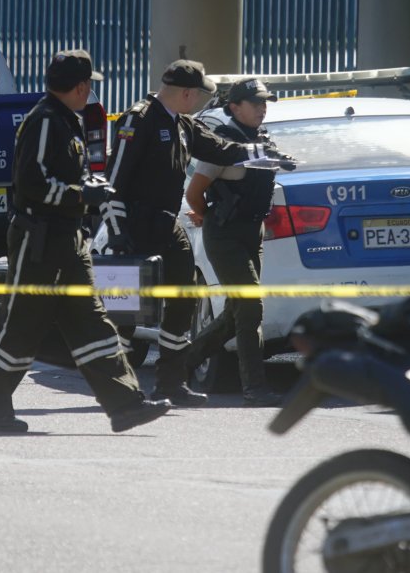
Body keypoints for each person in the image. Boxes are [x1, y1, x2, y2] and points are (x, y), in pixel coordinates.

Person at [0, 49, 171, 433]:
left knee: (92, 324)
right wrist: (81, 195)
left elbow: (61, 177)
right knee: (20, 324)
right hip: (41, 240)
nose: (89, 92)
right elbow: (32, 183)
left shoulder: (66, 119)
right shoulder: (45, 120)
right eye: (88, 86)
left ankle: (126, 404)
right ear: (80, 87)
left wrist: (86, 188)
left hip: (67, 239)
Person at [102, 60, 293, 406]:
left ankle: (171, 383)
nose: (200, 101)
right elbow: (114, 179)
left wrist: (262, 153)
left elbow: (222, 149)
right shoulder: (139, 119)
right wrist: (116, 230)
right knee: (128, 315)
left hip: (166, 224)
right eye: (199, 94)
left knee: (184, 301)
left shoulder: (184, 124)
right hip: (134, 226)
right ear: (187, 93)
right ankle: (119, 389)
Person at [184, 78, 292, 406]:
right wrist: (206, 216)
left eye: (265, 103)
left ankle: (178, 367)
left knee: (236, 314)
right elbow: (194, 193)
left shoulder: (261, 140)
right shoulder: (224, 145)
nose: (262, 108)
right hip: (225, 234)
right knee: (249, 306)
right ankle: (255, 388)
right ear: (234, 107)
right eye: (255, 103)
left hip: (251, 233)